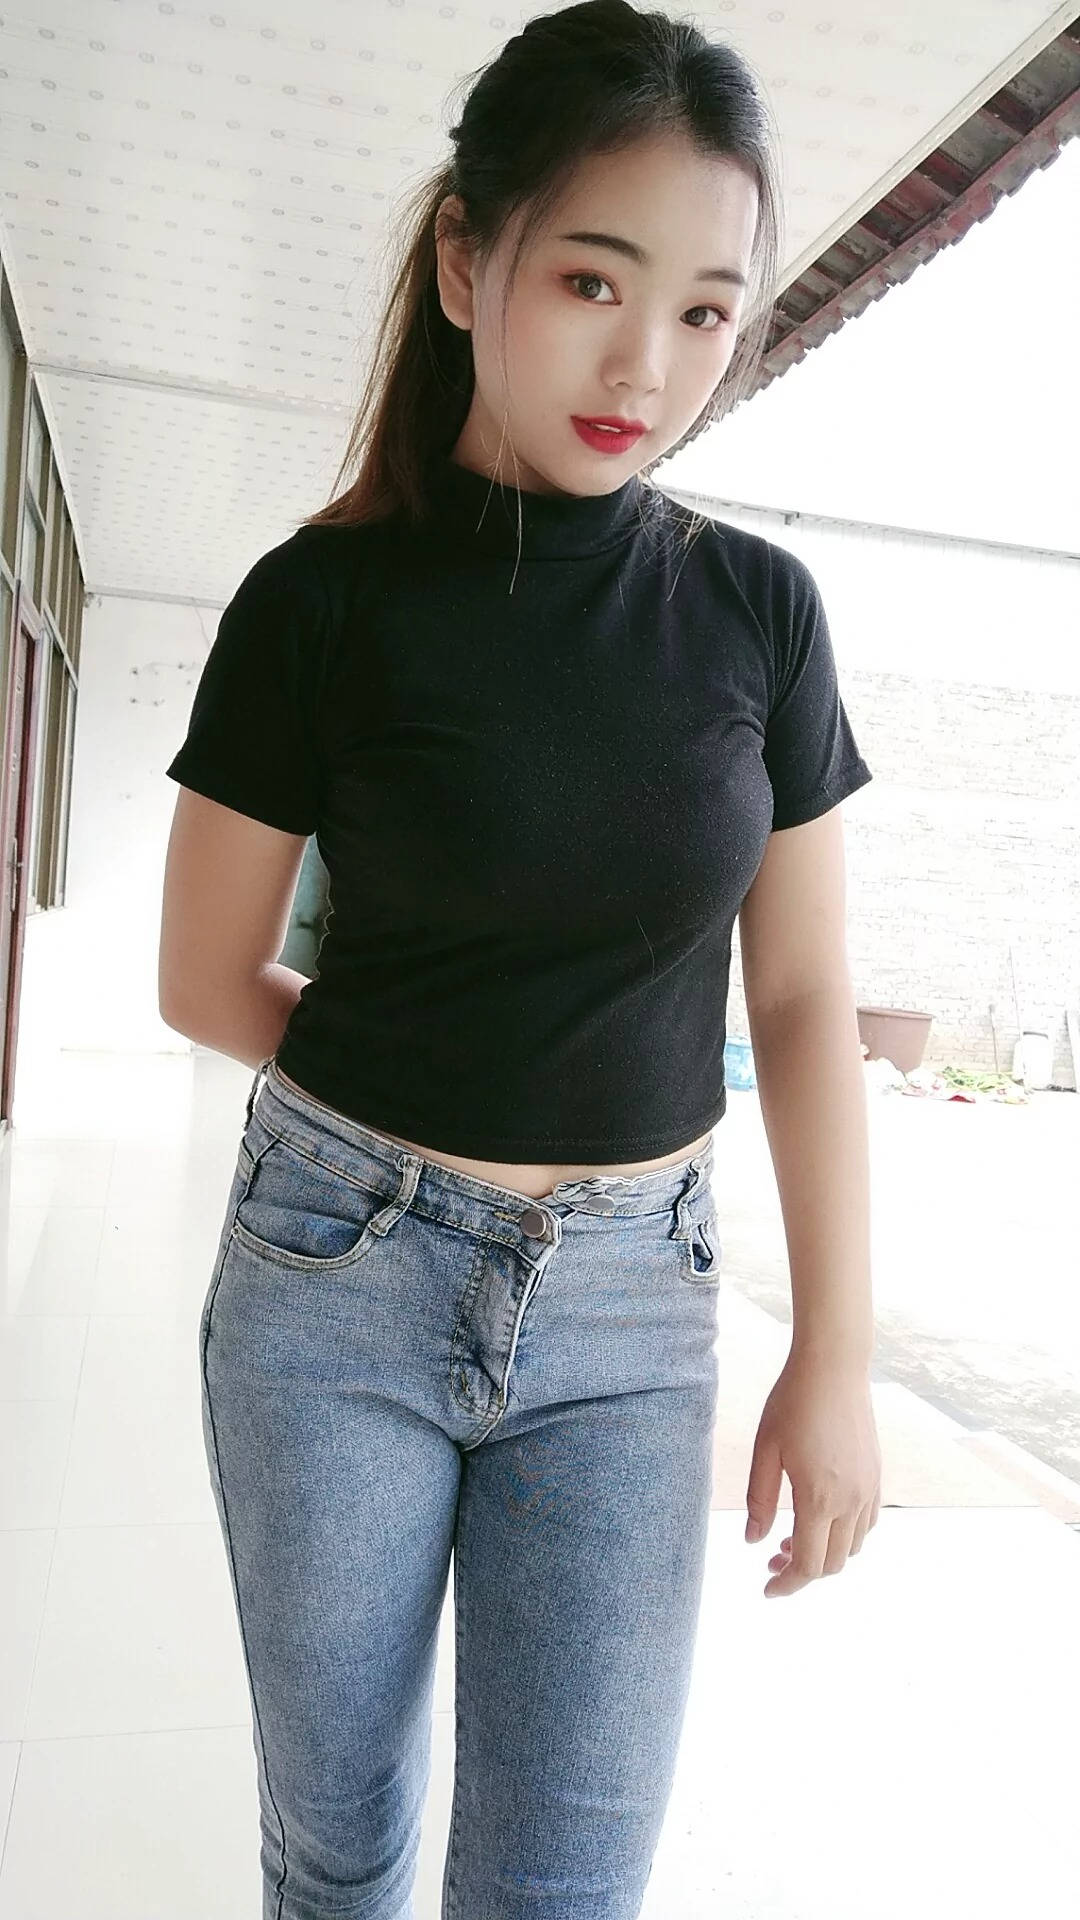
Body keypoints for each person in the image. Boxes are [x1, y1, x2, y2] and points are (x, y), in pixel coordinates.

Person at [158, 2, 882, 1914]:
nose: (648, 362)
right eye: (591, 280)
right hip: (338, 1287)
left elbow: (801, 999)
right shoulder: (320, 604)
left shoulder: (758, 613)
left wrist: (835, 1349)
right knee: (340, 1848)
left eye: (708, 309)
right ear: (466, 264)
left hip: (637, 1317)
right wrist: (399, 1142)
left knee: (566, 1884)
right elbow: (202, 974)